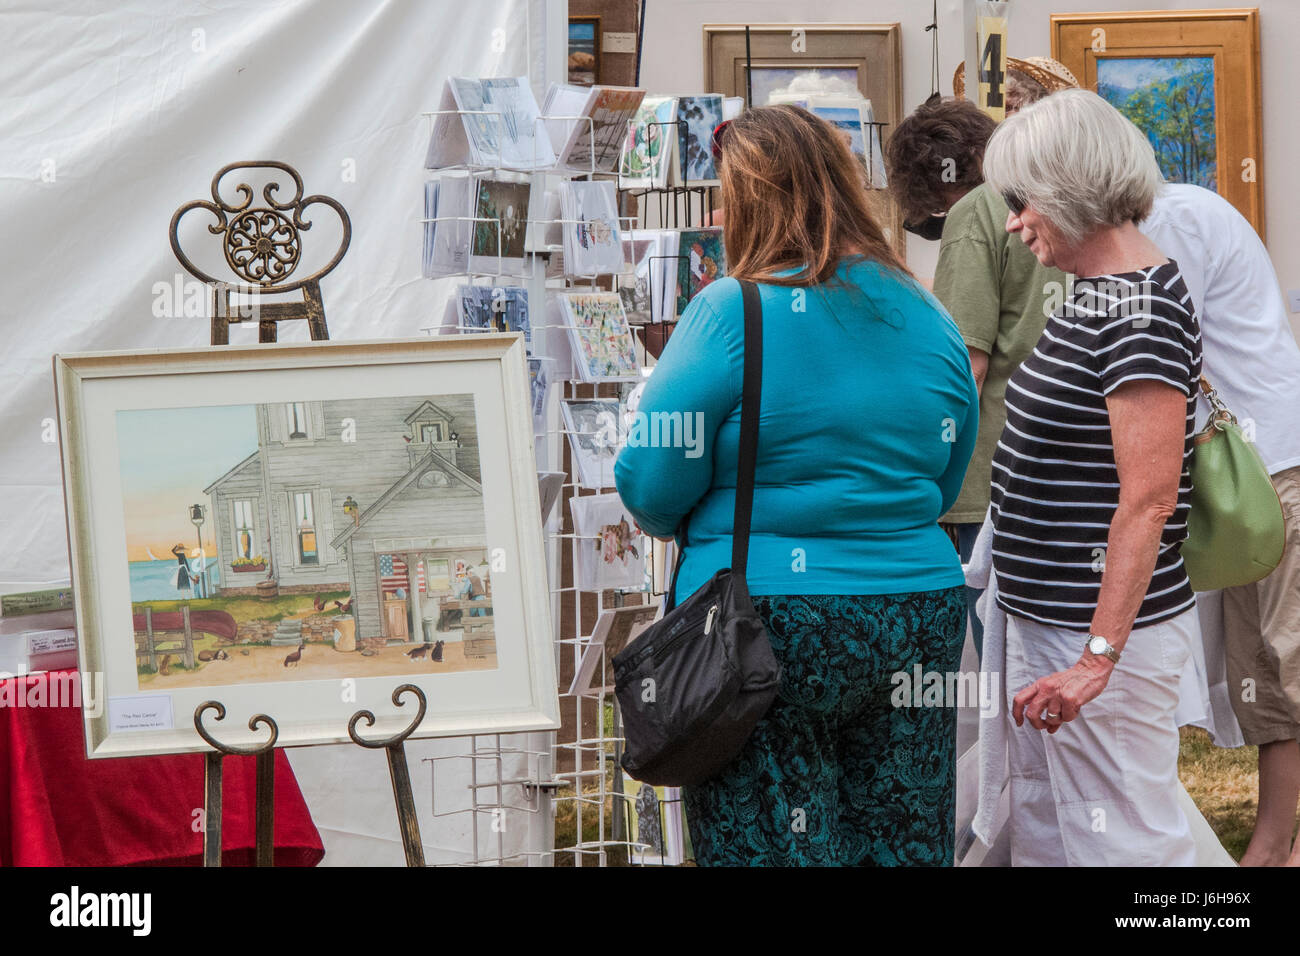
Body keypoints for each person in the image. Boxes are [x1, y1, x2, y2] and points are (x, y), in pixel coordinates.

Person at [615, 105, 978, 866]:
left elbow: (649, 480)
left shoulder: (731, 310)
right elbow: (944, 479)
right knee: (905, 839)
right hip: (918, 612)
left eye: (724, 194)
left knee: (775, 839)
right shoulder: (928, 310)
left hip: (769, 625)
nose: (715, 212)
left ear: (755, 199)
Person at [980, 89, 1203, 865]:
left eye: (1022, 199)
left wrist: (1096, 660)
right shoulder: (1105, 294)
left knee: (1127, 850)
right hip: (1058, 624)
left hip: (1098, 637)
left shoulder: (1136, 309)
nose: (1014, 221)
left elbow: (1148, 500)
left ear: (1071, 190)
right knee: (1058, 836)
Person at [886, 63, 1079, 659]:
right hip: (1067, 457)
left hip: (994, 470)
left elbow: (962, 366)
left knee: (1008, 664)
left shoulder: (975, 212)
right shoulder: (1056, 194)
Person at [1141, 183, 1300, 866]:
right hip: (1247, 470)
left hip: (1264, 470)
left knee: (1286, 662)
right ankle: (1269, 846)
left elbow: (1160, 353)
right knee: (1267, 670)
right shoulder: (1174, 211)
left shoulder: (1167, 220)